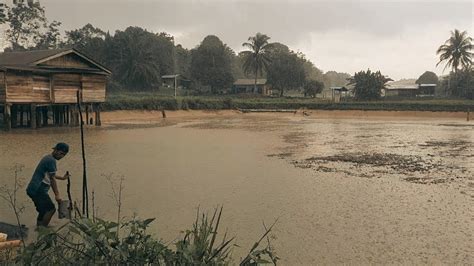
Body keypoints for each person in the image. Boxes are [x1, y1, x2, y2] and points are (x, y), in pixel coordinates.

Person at [26, 142, 70, 227]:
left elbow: (50, 175)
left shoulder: (48, 158)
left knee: (42, 210)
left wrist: (62, 178)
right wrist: (57, 195)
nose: (61, 156)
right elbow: (52, 178)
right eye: (61, 153)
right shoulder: (51, 160)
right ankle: (43, 230)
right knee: (51, 209)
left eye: (64, 155)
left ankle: (38, 229)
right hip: (38, 189)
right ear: (55, 150)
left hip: (32, 189)